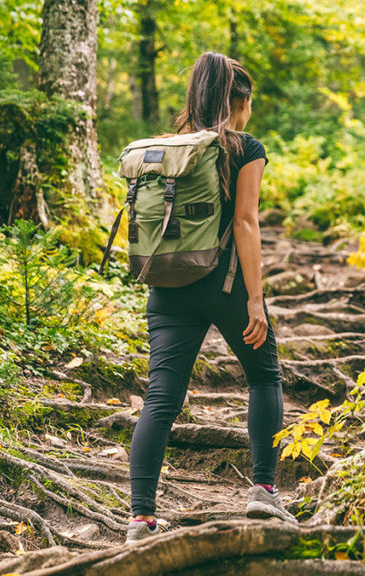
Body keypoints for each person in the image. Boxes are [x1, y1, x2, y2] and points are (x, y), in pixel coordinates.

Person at [125, 52, 296, 544]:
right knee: (264, 377)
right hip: (225, 285)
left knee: (160, 398)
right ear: (237, 101)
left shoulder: (167, 148)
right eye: (249, 103)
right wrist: (255, 299)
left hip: (168, 286)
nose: (250, 113)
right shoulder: (244, 147)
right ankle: (263, 490)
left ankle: (140, 518)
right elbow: (245, 221)